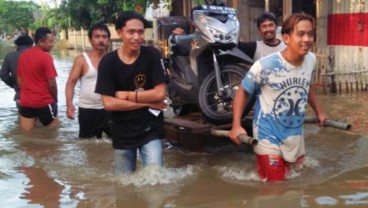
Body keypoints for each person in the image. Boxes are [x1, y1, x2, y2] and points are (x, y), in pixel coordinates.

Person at [229, 12, 329, 182]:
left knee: (295, 184)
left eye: (310, 34)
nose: (307, 39)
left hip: (294, 134)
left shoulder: (311, 60)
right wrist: (236, 125)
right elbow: (242, 91)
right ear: (286, 38)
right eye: (300, 34)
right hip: (267, 135)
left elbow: (307, 85)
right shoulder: (265, 65)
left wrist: (319, 112)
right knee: (275, 187)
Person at [95, 11, 167, 174]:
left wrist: (127, 95)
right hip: (122, 131)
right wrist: (147, 102)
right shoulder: (108, 62)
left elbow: (160, 94)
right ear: (119, 32)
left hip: (150, 127)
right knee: (124, 184)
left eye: (140, 32)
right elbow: (109, 104)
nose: (137, 37)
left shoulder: (152, 55)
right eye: (131, 32)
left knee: (155, 178)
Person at [65, 23, 112, 139]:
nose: (101, 40)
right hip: (88, 109)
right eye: (97, 36)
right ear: (90, 40)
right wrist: (69, 104)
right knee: (88, 145)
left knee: (115, 143)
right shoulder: (82, 60)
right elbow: (71, 83)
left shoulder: (113, 59)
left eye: (104, 36)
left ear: (108, 40)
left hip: (110, 108)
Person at [17, 27, 59, 131]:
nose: (52, 45)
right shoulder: (46, 57)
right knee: (54, 134)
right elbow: (52, 84)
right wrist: (55, 99)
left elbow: (19, 80)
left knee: (27, 135)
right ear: (40, 42)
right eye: (50, 42)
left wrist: (28, 92)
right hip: (44, 102)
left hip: (26, 102)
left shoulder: (23, 56)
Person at [0, 35, 34, 109]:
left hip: (21, 95)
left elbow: (3, 75)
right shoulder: (39, 55)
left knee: (23, 118)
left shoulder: (10, 56)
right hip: (40, 96)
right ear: (31, 45)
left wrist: (15, 85)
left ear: (17, 46)